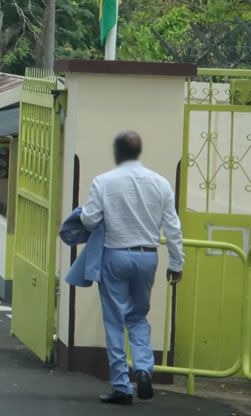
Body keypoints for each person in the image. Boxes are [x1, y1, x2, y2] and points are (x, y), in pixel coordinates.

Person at [79, 131, 185, 405]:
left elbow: (89, 220)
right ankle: (143, 368)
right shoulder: (160, 183)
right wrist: (176, 262)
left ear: (118, 153)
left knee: (115, 320)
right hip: (148, 257)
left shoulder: (103, 182)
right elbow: (173, 227)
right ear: (138, 152)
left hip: (115, 255)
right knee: (138, 316)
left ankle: (121, 385)